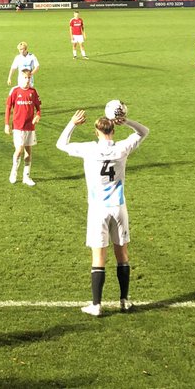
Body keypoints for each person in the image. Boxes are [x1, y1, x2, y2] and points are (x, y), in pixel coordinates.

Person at [56, 108, 149, 316]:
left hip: (98, 210)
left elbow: (60, 144)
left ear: (96, 132)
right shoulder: (122, 149)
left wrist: (72, 123)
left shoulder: (89, 149)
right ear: (113, 130)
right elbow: (144, 131)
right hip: (119, 207)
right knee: (122, 255)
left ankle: (96, 305)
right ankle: (124, 301)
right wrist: (127, 121)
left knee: (98, 257)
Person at [4, 68, 41, 185]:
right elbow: (8, 108)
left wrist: (38, 116)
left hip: (30, 126)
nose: (27, 80)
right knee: (19, 150)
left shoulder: (33, 92)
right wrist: (6, 124)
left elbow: (38, 108)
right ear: (20, 78)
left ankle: (26, 176)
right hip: (18, 126)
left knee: (28, 151)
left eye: (29, 78)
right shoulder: (14, 91)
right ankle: (14, 173)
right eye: (25, 78)